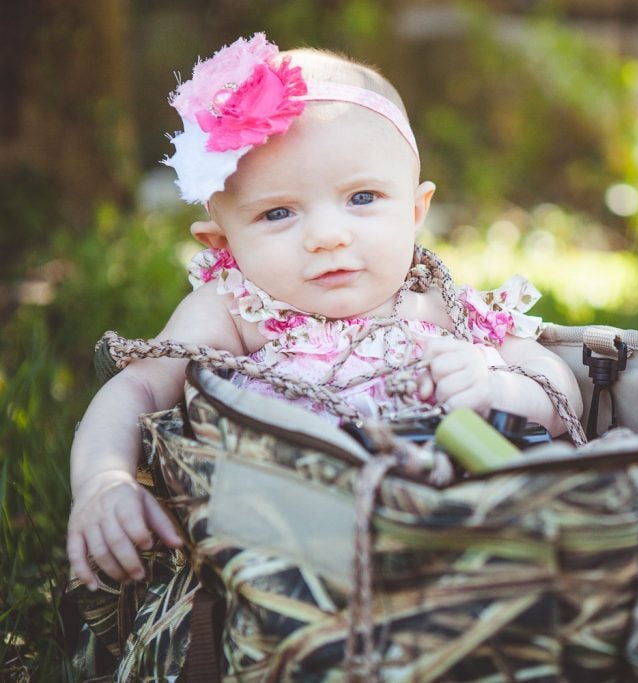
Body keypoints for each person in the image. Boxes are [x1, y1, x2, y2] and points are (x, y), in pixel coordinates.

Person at [67, 34, 583, 592]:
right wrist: (103, 479)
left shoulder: (440, 305)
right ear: (223, 243)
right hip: (301, 553)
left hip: (469, 528)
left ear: (415, 211)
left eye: (362, 198)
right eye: (279, 212)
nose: (328, 236)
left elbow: (560, 389)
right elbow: (136, 390)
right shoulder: (238, 310)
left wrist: (496, 389)